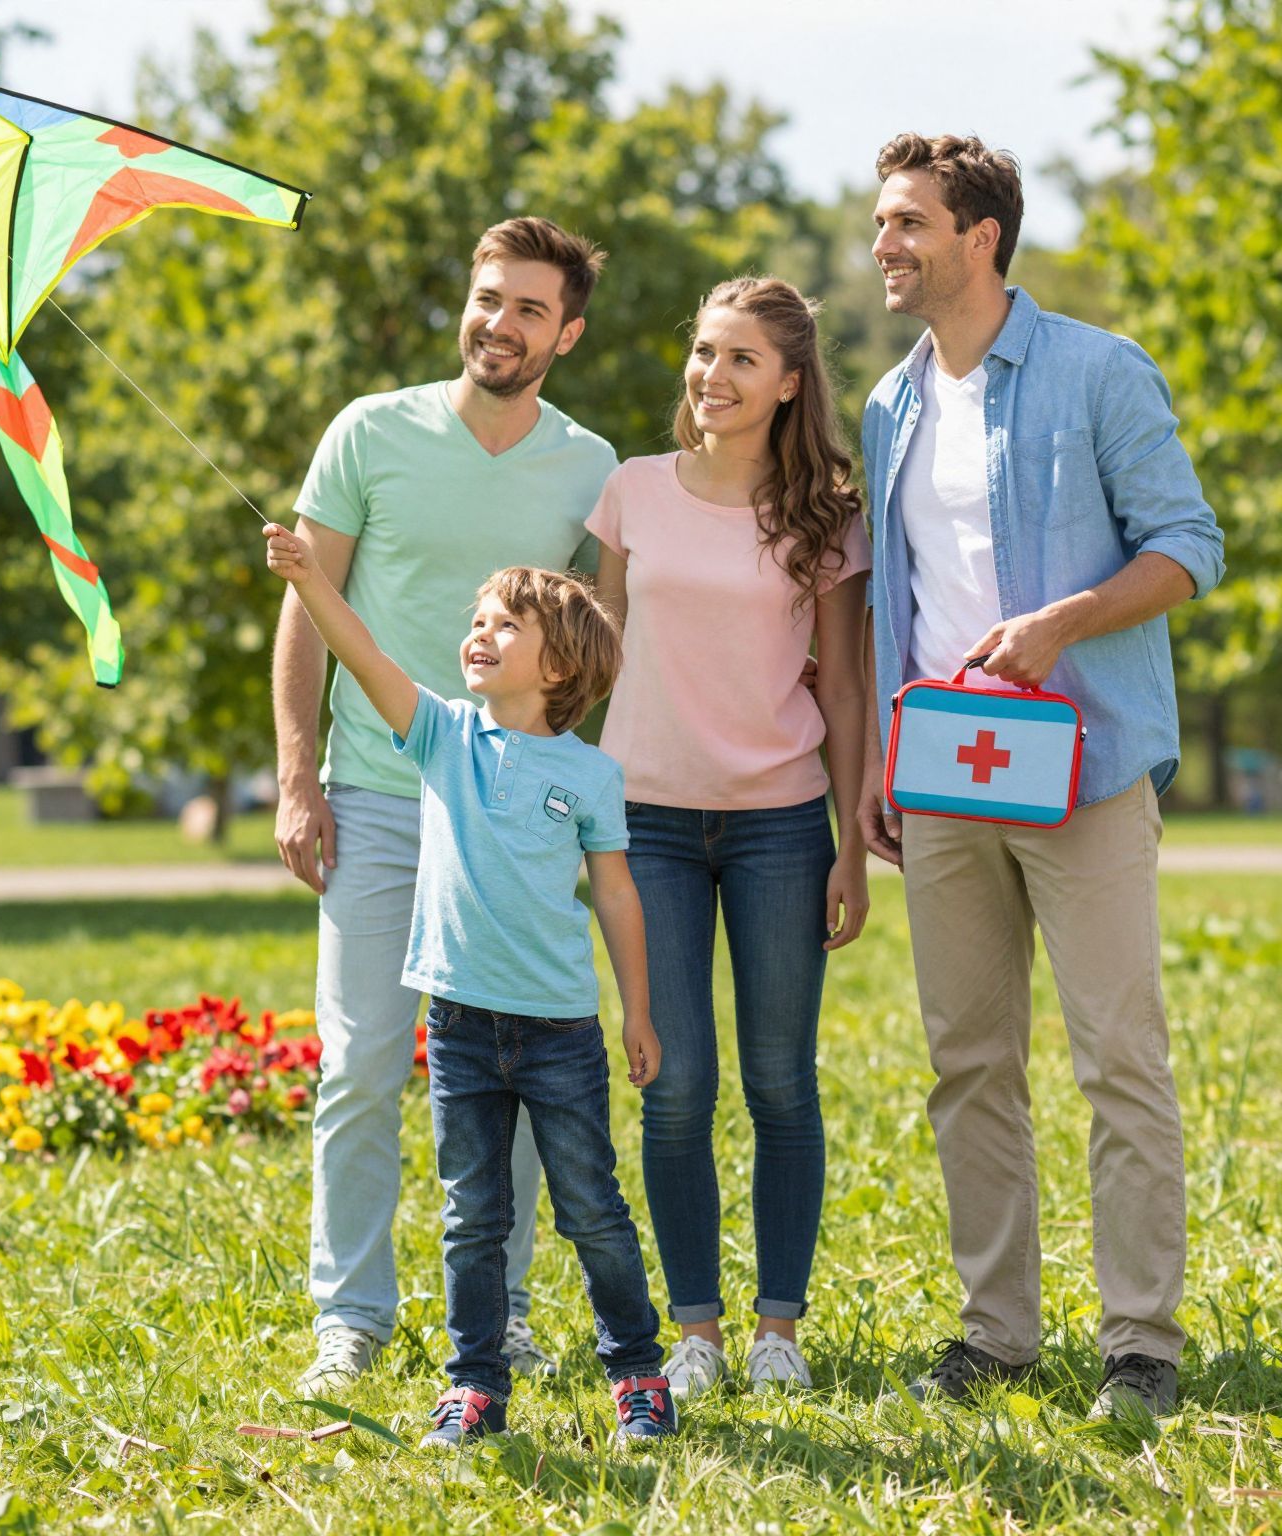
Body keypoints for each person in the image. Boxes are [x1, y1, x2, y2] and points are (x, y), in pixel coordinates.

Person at [855, 134, 1224, 1418]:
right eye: (880, 222)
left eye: (908, 223)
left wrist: (1060, 624)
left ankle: (1141, 1344)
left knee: (1117, 1054)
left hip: (1086, 767)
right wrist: (876, 771)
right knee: (968, 1061)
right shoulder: (888, 405)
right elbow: (889, 608)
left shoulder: (1097, 372)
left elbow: (1189, 547)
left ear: (980, 236)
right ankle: (994, 1332)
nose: (884, 245)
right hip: (946, 778)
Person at [272, 218, 620, 1395]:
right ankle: (350, 1316)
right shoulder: (370, 431)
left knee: (515, 1073)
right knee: (363, 1060)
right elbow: (305, 609)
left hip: (508, 820)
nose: (499, 323)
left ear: (564, 332)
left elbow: (599, 643)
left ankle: (504, 1311)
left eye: (528, 308)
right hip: (373, 791)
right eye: (486, 298)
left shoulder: (591, 467)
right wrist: (293, 773)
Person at [265, 526, 677, 1447]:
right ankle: (476, 1385)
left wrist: (637, 1011)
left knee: (591, 1210)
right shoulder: (442, 734)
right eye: (478, 620)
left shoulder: (591, 775)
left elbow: (616, 894)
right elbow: (363, 654)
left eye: (506, 625)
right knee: (472, 1215)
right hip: (459, 1026)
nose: (479, 634)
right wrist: (310, 579)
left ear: (562, 665)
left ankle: (638, 1376)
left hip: (561, 1031)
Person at [588, 277, 871, 1399]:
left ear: (789, 382)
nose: (711, 375)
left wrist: (851, 838)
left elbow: (844, 689)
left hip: (778, 825)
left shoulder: (823, 515)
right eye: (703, 352)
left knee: (779, 1082)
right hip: (644, 821)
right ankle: (695, 1329)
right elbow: (595, 653)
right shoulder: (632, 491)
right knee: (673, 1082)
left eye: (740, 359)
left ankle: (777, 1332)